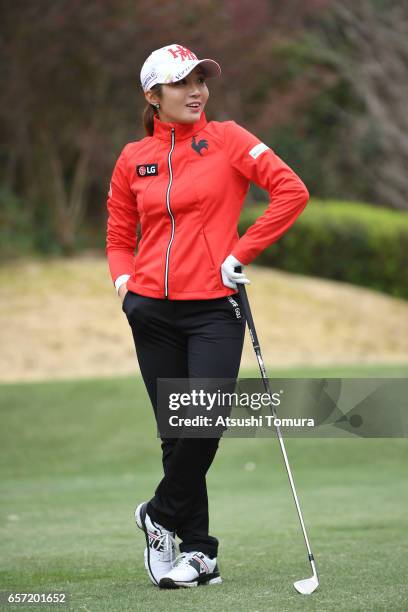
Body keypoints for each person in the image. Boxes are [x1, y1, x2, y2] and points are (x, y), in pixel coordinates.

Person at [106, 43, 309, 589]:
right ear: (154, 96)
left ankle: (159, 514)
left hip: (214, 309)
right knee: (176, 434)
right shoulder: (132, 158)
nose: (197, 91)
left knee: (206, 417)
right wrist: (126, 284)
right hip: (150, 310)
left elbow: (291, 191)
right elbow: (120, 236)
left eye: (201, 80)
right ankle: (199, 553)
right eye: (182, 83)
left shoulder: (229, 139)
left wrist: (241, 254)